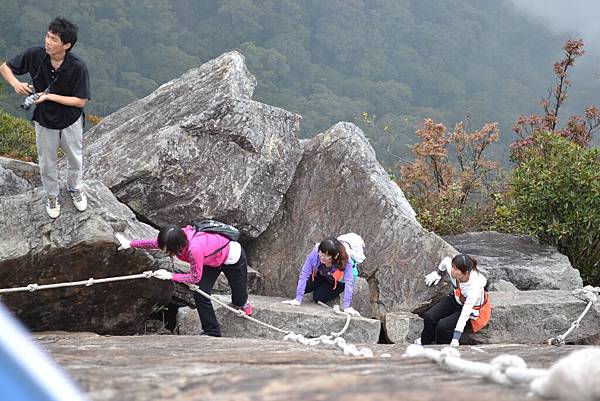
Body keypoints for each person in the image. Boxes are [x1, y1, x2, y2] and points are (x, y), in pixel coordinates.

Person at [0, 17, 91, 219]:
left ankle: (75, 188)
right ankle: (52, 195)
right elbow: (4, 67)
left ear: (66, 45)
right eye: (48, 36)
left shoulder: (77, 66)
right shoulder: (35, 54)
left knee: (74, 158)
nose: (48, 42)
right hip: (44, 119)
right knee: (47, 162)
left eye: (54, 39)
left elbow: (80, 101)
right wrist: (15, 83)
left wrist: (49, 96)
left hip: (70, 119)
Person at [115, 225, 252, 337]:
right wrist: (130, 244)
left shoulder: (194, 249)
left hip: (232, 257)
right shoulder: (174, 239)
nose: (164, 252)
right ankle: (212, 332)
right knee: (200, 294)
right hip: (210, 261)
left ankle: (243, 302)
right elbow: (153, 243)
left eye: (167, 250)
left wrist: (170, 276)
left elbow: (195, 278)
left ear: (178, 247)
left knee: (239, 297)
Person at [416, 253, 491, 347]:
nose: (452, 270)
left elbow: (465, 314)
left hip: (471, 309)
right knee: (429, 316)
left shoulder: (474, 289)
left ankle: (441, 346)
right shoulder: (454, 272)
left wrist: (456, 338)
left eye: (455, 269)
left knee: (443, 326)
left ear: (466, 273)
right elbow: (446, 260)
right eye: (452, 266)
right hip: (458, 298)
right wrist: (438, 273)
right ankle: (425, 341)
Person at [282, 237, 360, 315]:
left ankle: (325, 288)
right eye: (321, 254)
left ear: (335, 256)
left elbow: (349, 283)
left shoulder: (346, 261)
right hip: (323, 274)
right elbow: (304, 274)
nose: (322, 258)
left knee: (318, 297)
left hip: (337, 282)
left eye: (327, 256)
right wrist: (298, 299)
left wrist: (347, 307)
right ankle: (321, 283)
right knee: (304, 286)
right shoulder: (316, 252)